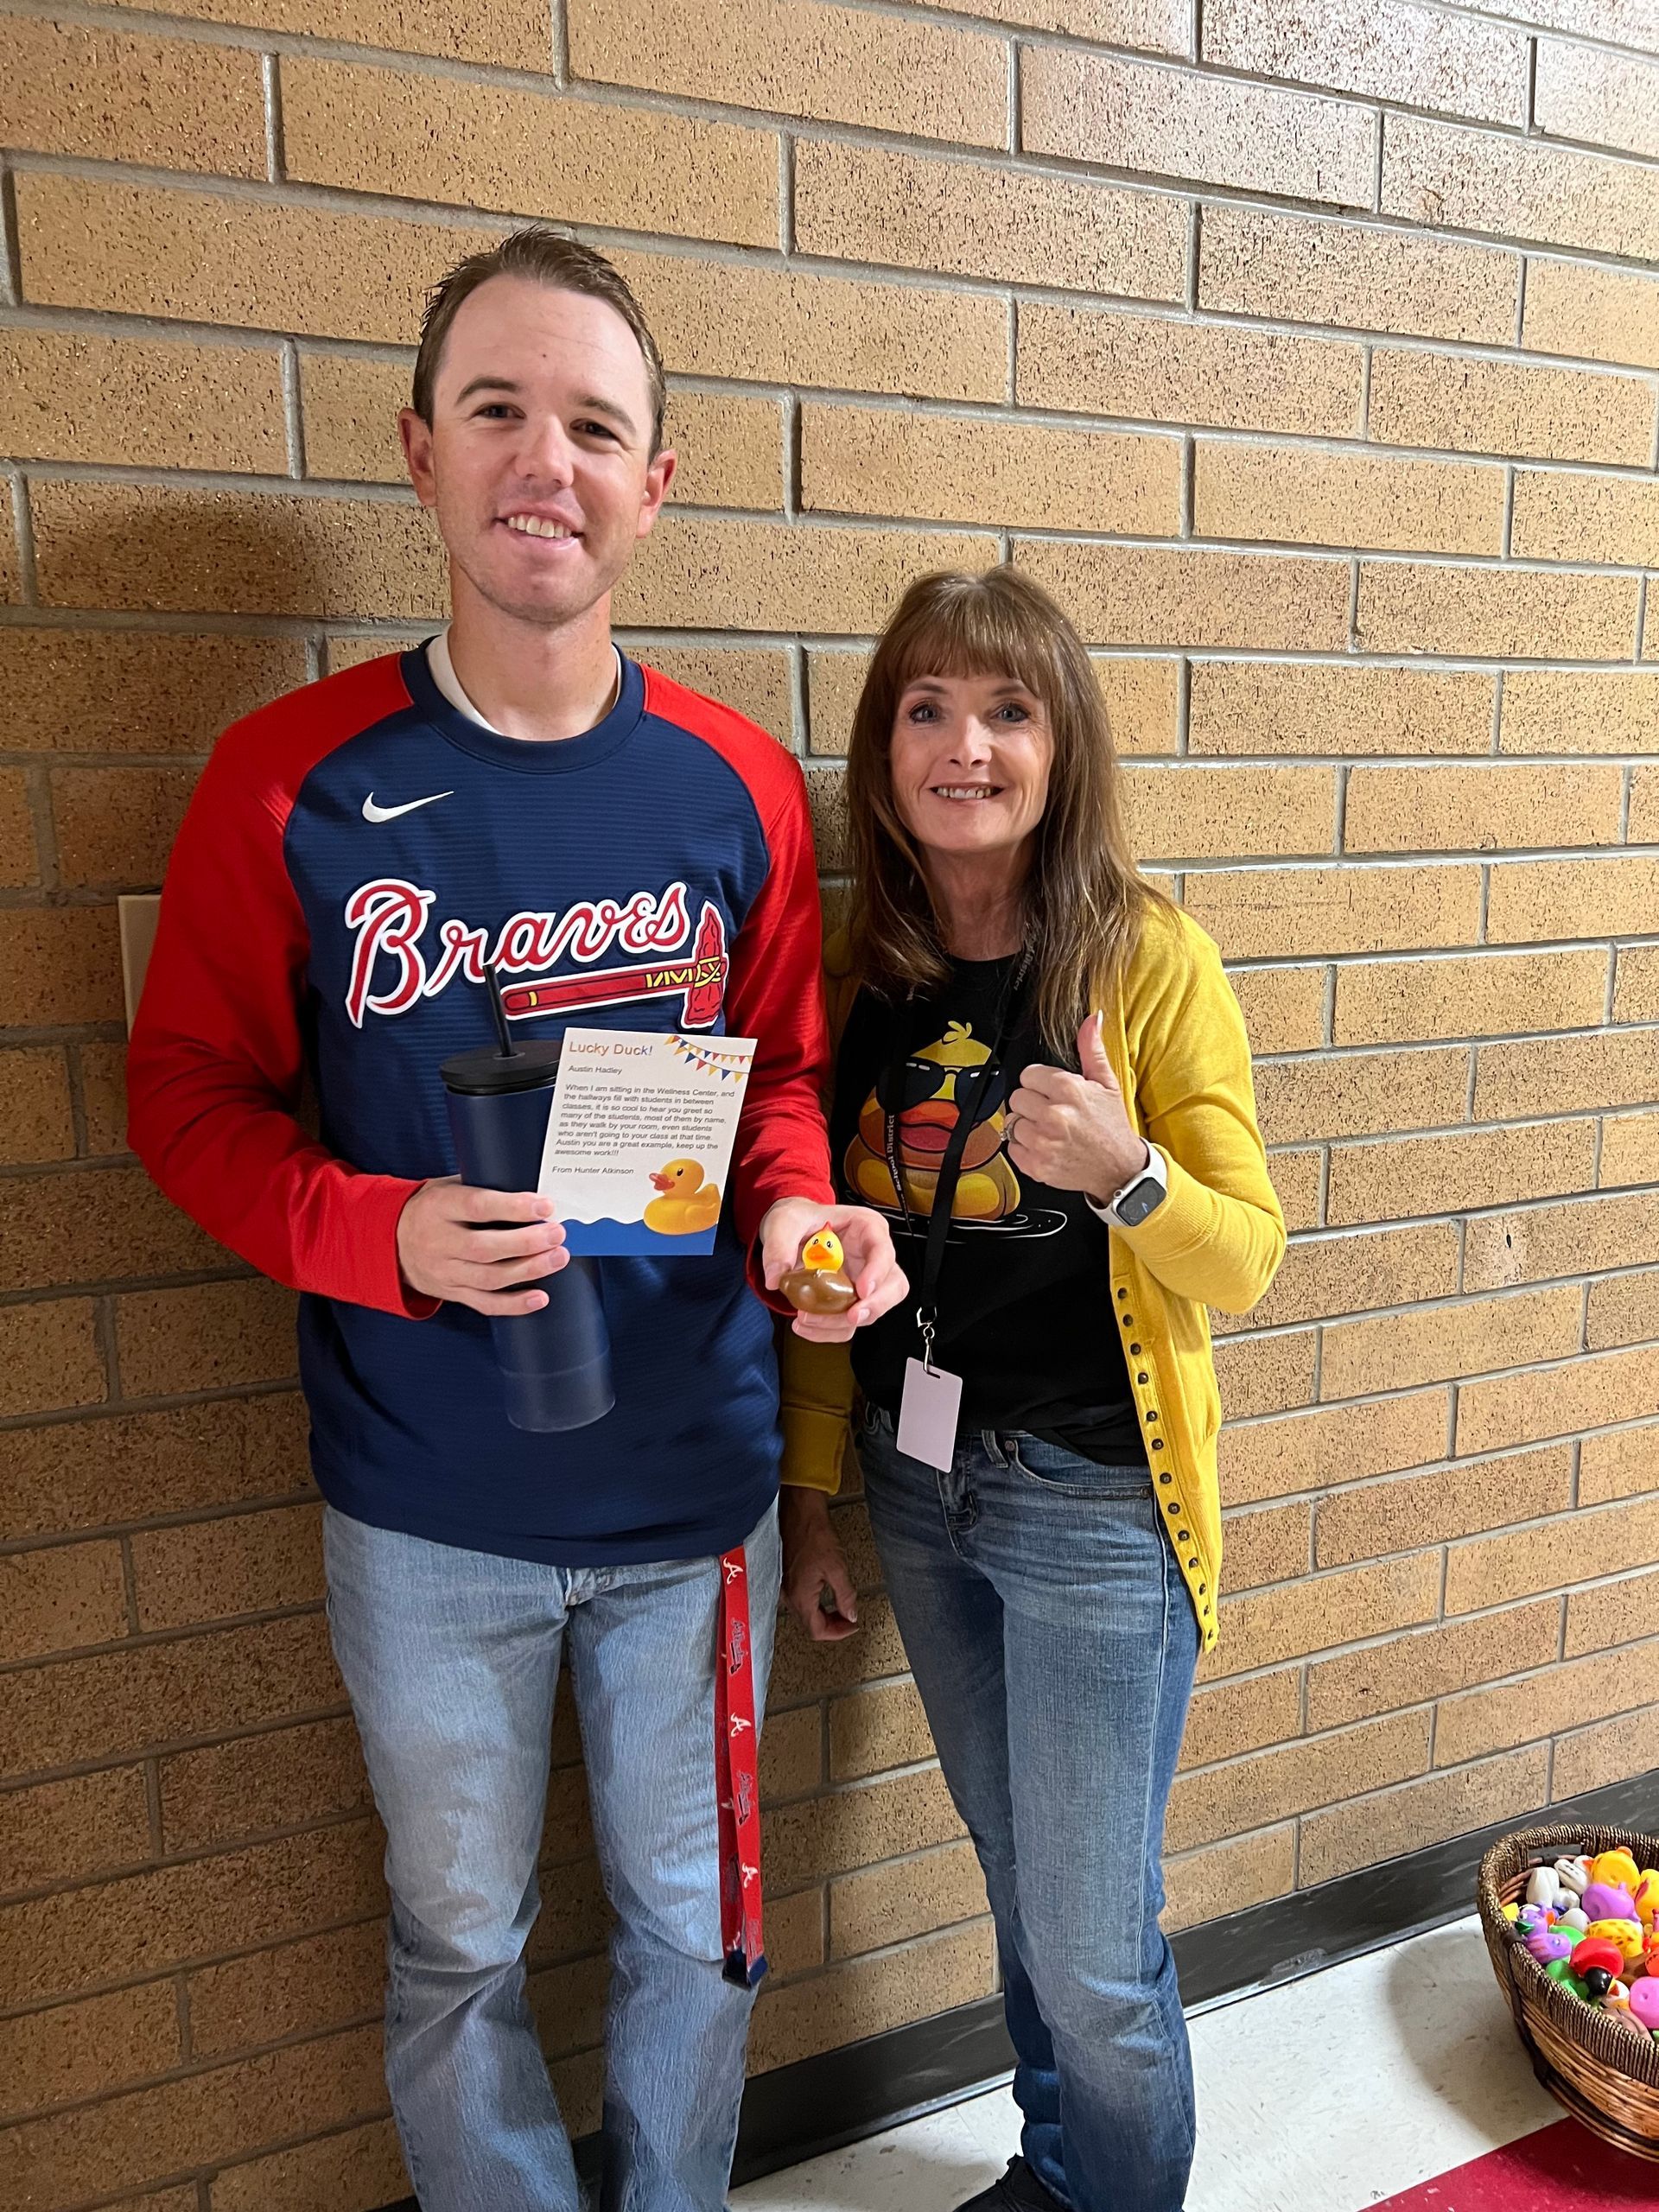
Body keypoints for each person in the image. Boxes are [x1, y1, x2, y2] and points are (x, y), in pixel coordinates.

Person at [127, 226, 904, 2212]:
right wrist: (370, 1232)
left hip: (694, 1504)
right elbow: (184, 1098)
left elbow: (784, 1075)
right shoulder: (285, 783)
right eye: (497, 410)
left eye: (591, 423)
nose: (541, 460)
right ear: (419, 450)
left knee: (697, 1934)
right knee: (460, 1947)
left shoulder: (733, 784)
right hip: (423, 1511)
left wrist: (805, 1222)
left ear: (660, 478)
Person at [775, 567, 1284, 2212]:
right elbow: (817, 1273)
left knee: (1091, 1939)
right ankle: (1063, 2171)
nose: (965, 746)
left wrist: (1130, 1174)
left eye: (1007, 710)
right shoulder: (869, 971)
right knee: (1018, 1885)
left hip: (1092, 1512)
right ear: (882, 746)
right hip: (916, 1488)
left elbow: (1247, 1254)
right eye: (926, 707)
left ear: (1063, 751)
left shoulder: (1146, 958)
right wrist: (813, 1497)